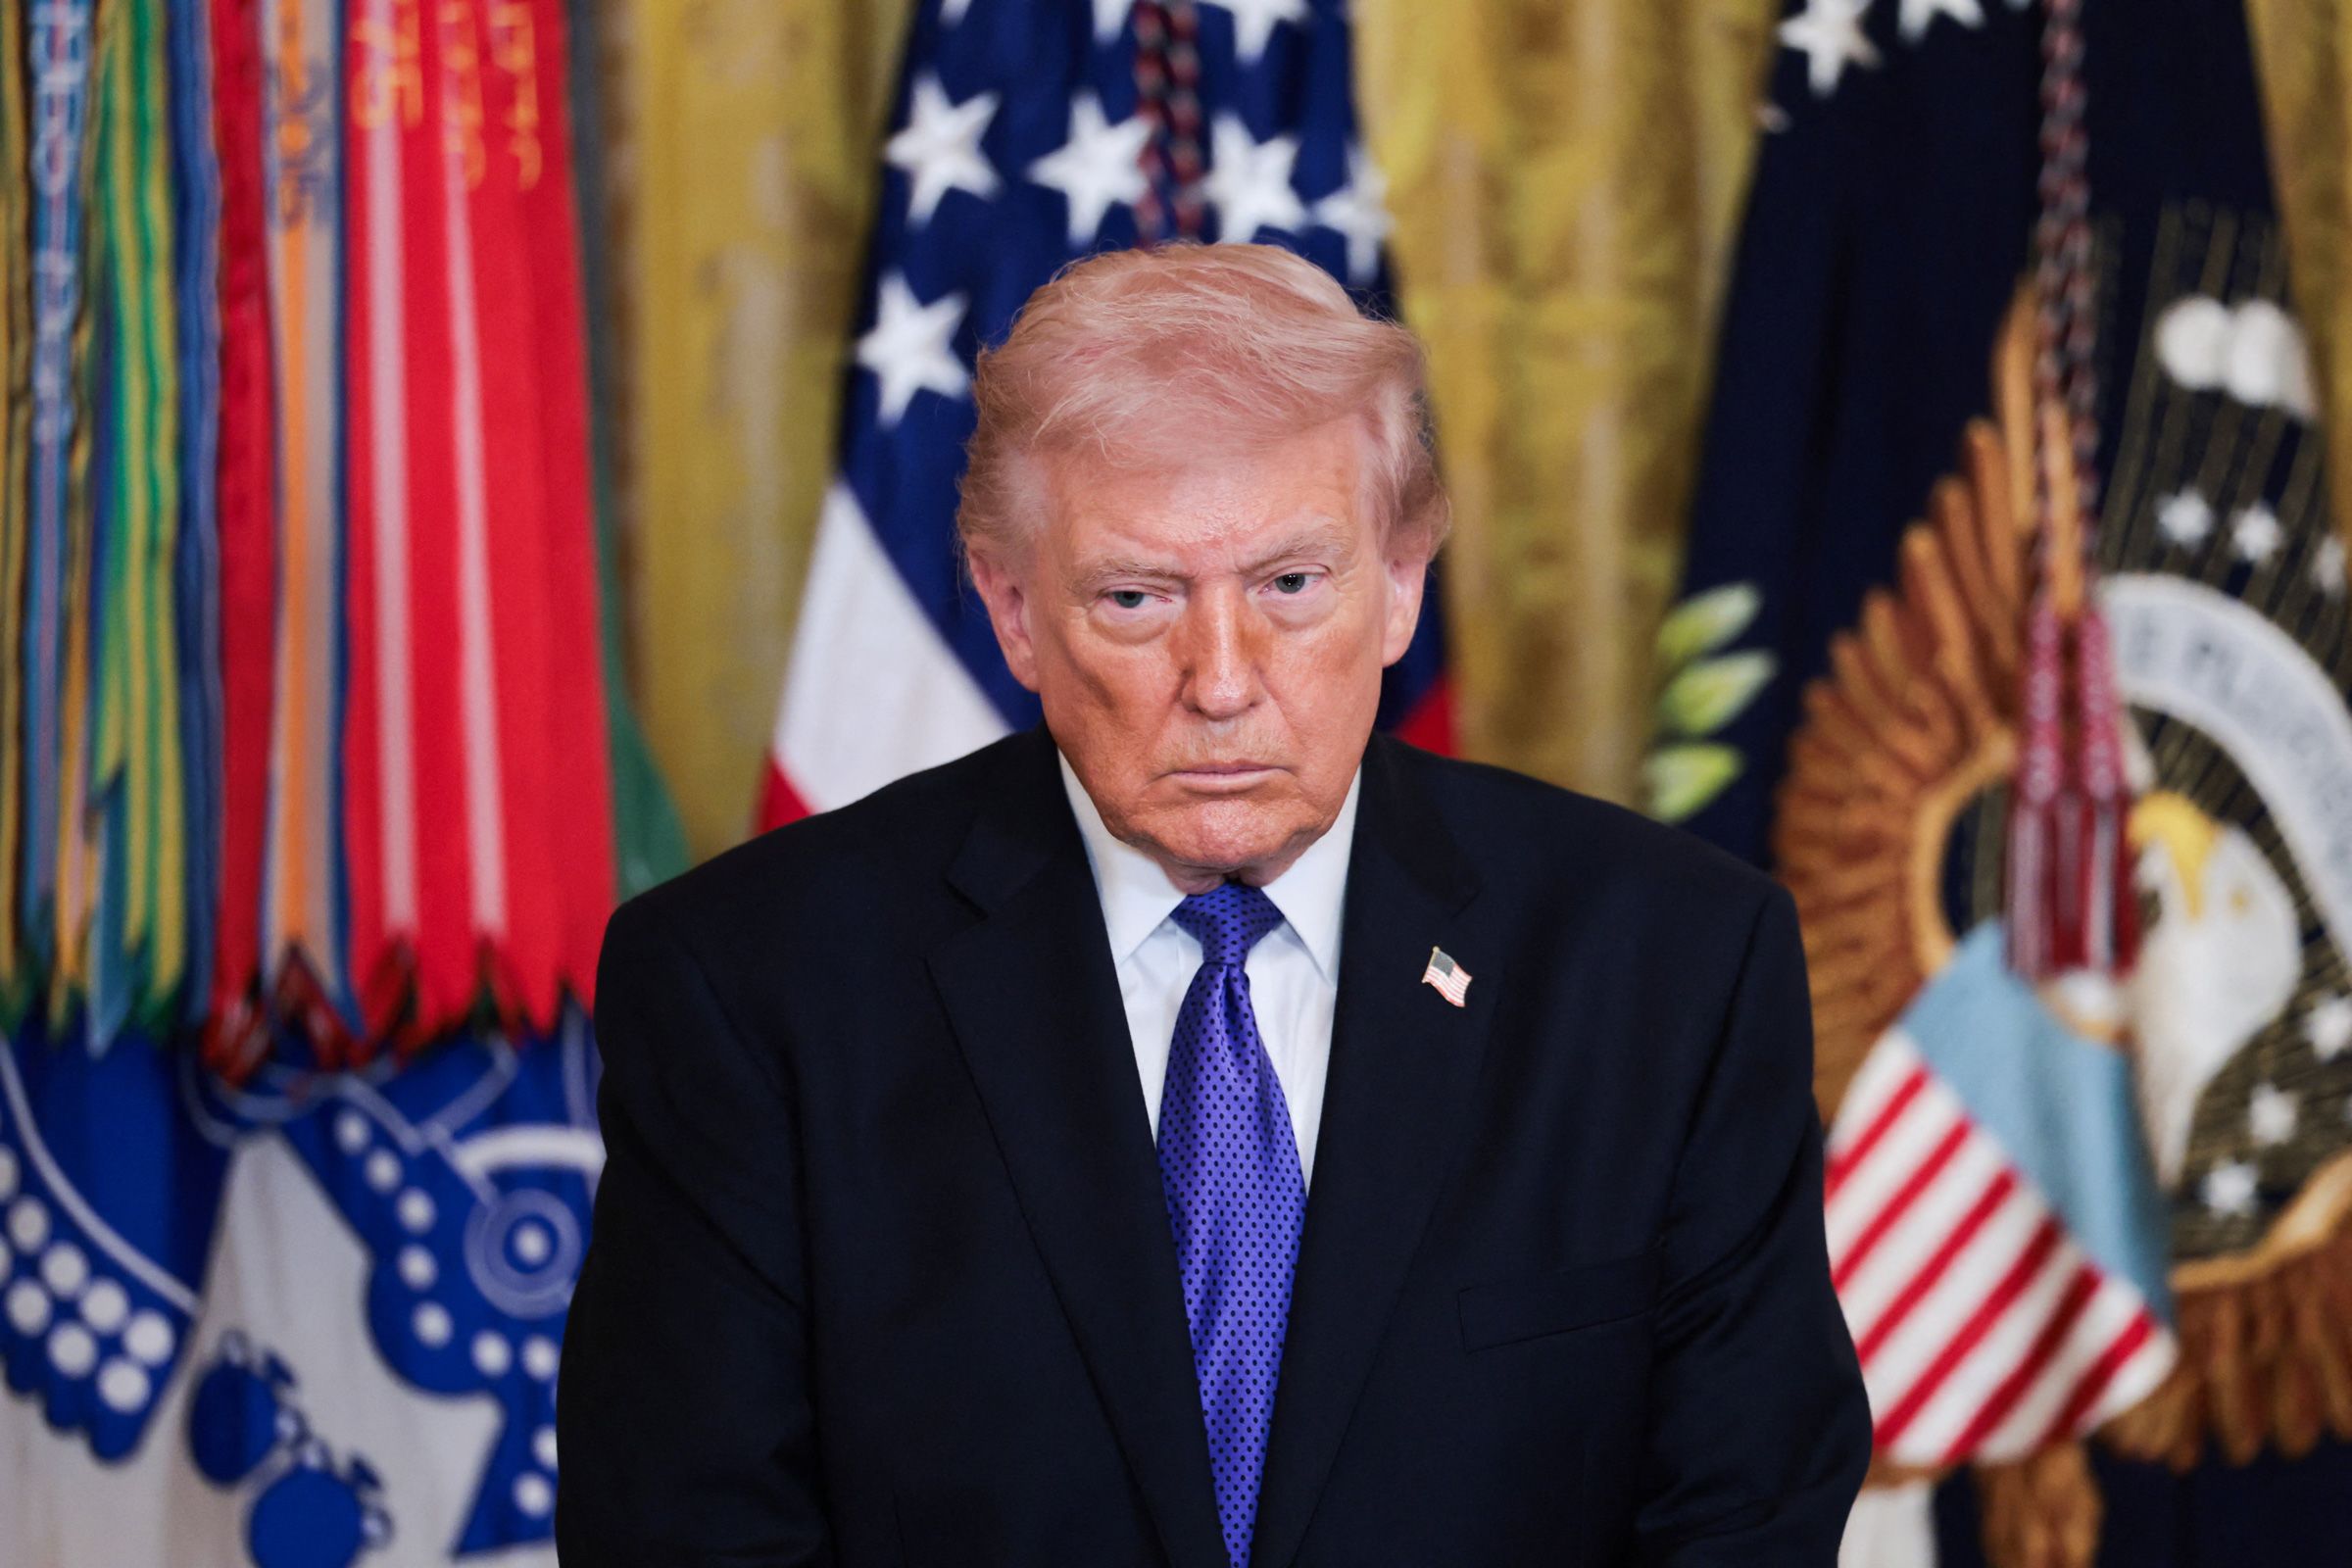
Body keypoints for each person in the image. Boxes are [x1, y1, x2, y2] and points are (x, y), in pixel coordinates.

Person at [556, 241, 1870, 1567]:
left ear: (1405, 577)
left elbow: (1741, 1519)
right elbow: (685, 1537)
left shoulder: (1673, 969)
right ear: (1013, 611)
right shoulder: (753, 988)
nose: (1224, 680)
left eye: (1292, 586)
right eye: (1137, 599)